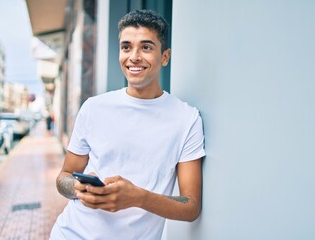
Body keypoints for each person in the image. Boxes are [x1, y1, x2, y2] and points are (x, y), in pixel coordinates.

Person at [50, 9, 205, 240]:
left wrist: (138, 197)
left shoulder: (187, 119)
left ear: (165, 57)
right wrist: (77, 189)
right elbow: (64, 176)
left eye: (146, 47)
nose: (134, 56)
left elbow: (191, 207)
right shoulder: (93, 108)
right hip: (71, 234)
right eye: (126, 47)